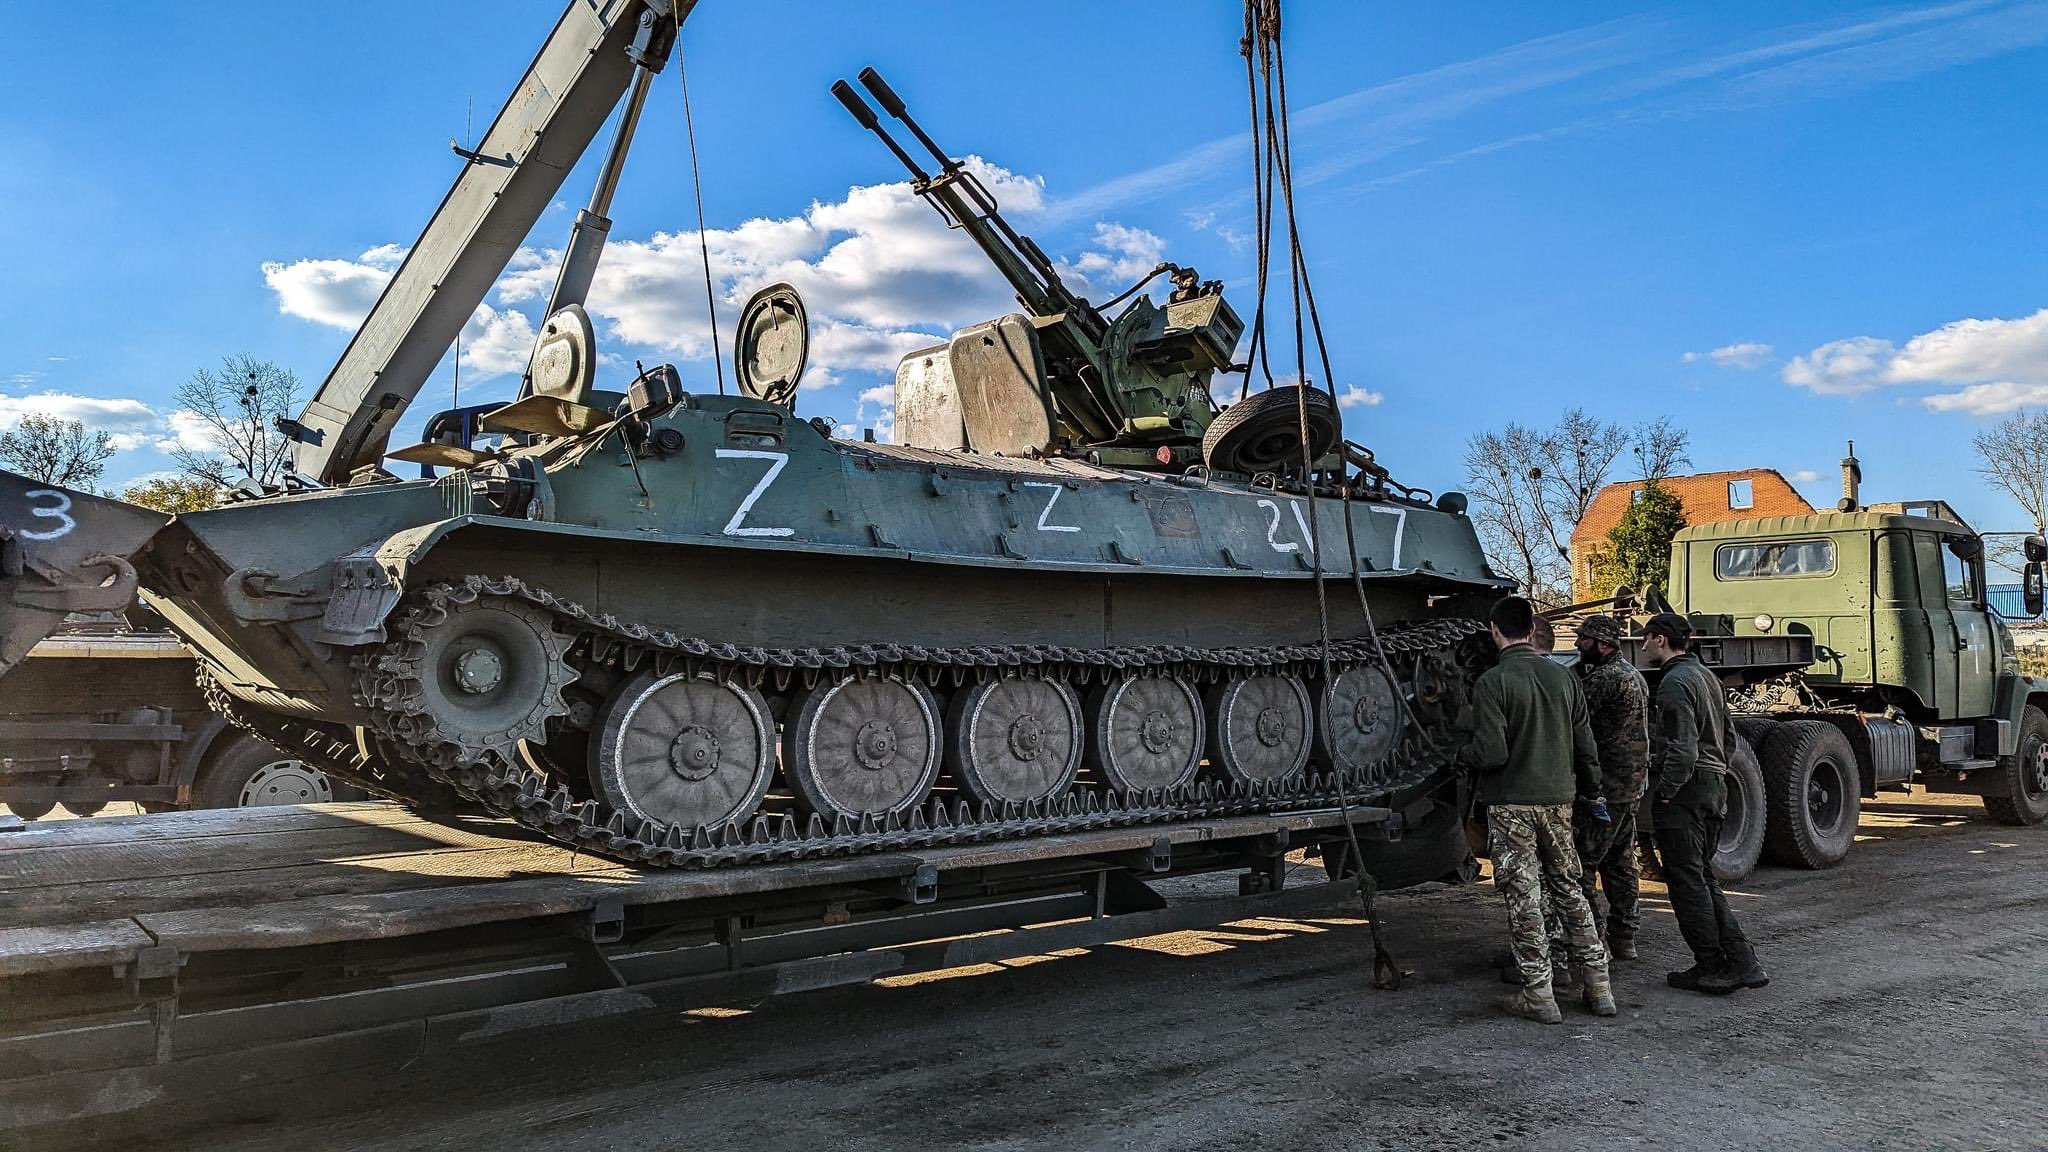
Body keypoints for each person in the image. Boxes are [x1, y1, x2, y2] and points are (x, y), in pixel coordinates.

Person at [1465, 595, 1615, 1023]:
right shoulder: (1565, 679)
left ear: (1495, 632)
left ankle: (1539, 994)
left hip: (1512, 805)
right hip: (1559, 801)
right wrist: (1592, 795)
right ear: (1532, 630)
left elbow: (1491, 753)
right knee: (1570, 889)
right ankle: (1599, 987)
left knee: (1524, 896)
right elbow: (1586, 747)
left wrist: (1461, 754)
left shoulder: (1492, 683)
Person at [1640, 612, 1770, 995]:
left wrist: (1666, 791)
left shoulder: (1674, 683)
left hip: (1687, 790)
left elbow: (1682, 749)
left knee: (1686, 883)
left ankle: (1712, 964)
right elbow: (1729, 738)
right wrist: (1716, 774)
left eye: (1647, 638)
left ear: (1661, 640)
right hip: (1712, 785)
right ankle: (1743, 961)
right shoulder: (1706, 676)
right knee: (1703, 878)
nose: (1643, 645)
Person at [1568, 614, 1651, 959]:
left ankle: (1591, 939)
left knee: (1582, 866)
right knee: (1620, 863)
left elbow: (1574, 717)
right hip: (1631, 785)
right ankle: (1624, 937)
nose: (1578, 644)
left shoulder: (1604, 678)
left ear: (1603, 644)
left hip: (1606, 787)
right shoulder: (1633, 674)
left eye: (1584, 639)